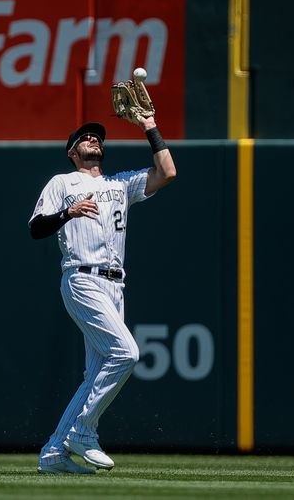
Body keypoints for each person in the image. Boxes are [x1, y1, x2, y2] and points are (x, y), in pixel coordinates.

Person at [29, 114, 176, 474]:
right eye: (85, 137)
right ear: (72, 151)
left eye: (97, 137)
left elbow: (168, 172)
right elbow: (36, 227)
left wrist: (149, 126)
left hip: (115, 286)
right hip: (82, 278)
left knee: (95, 375)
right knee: (126, 353)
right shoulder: (62, 182)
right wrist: (67, 211)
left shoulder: (120, 183)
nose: (94, 140)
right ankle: (81, 431)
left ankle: (53, 452)